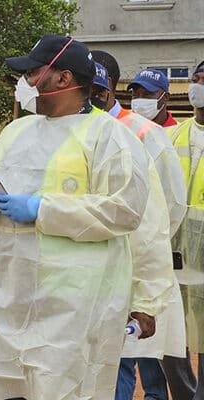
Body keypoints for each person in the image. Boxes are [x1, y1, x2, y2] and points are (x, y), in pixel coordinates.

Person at [0, 35, 151, 399]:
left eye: (32, 73)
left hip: (69, 309)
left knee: (62, 389)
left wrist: (43, 209)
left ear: (63, 79)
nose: (25, 83)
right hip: (1, 299)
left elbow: (125, 211)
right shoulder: (15, 132)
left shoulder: (110, 138)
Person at [93, 60, 190, 400]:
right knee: (114, 357)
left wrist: (147, 247)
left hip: (139, 261)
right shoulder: (81, 128)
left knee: (147, 354)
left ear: (105, 87)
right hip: (98, 265)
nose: (140, 98)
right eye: (136, 92)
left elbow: (172, 205)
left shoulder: (144, 132)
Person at [167, 63, 204, 400]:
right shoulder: (173, 135)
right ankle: (184, 394)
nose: (199, 86)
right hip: (174, 250)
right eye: (196, 79)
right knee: (171, 334)